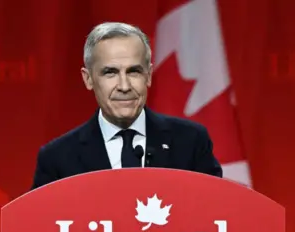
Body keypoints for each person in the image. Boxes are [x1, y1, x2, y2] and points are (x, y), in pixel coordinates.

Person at [31, 22, 222, 190]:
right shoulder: (57, 158)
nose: (124, 86)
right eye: (110, 73)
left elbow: (217, 215)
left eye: (133, 72)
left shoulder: (191, 142)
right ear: (88, 79)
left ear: (148, 75)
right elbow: (39, 227)